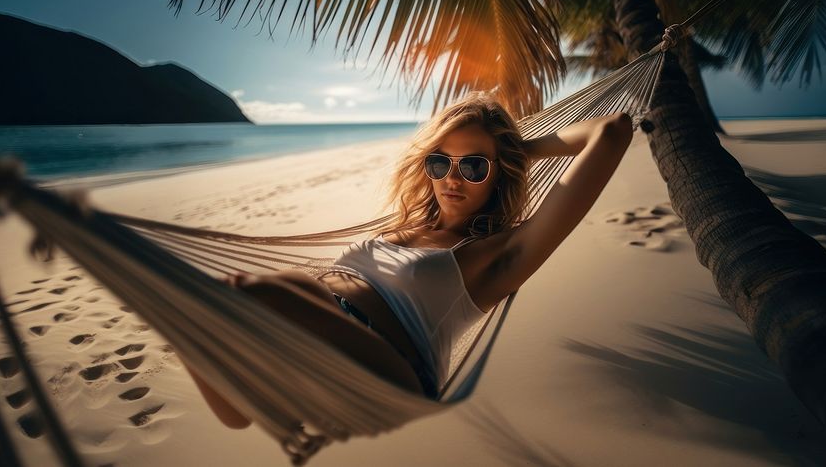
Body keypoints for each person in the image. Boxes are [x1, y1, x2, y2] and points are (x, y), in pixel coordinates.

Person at [187, 92, 633, 428]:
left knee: (243, 293)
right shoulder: (404, 225)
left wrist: (519, 149)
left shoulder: (499, 254)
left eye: (474, 166)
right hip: (317, 331)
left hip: (391, 369)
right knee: (200, 307)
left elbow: (611, 131)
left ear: (498, 173)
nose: (453, 178)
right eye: (441, 163)